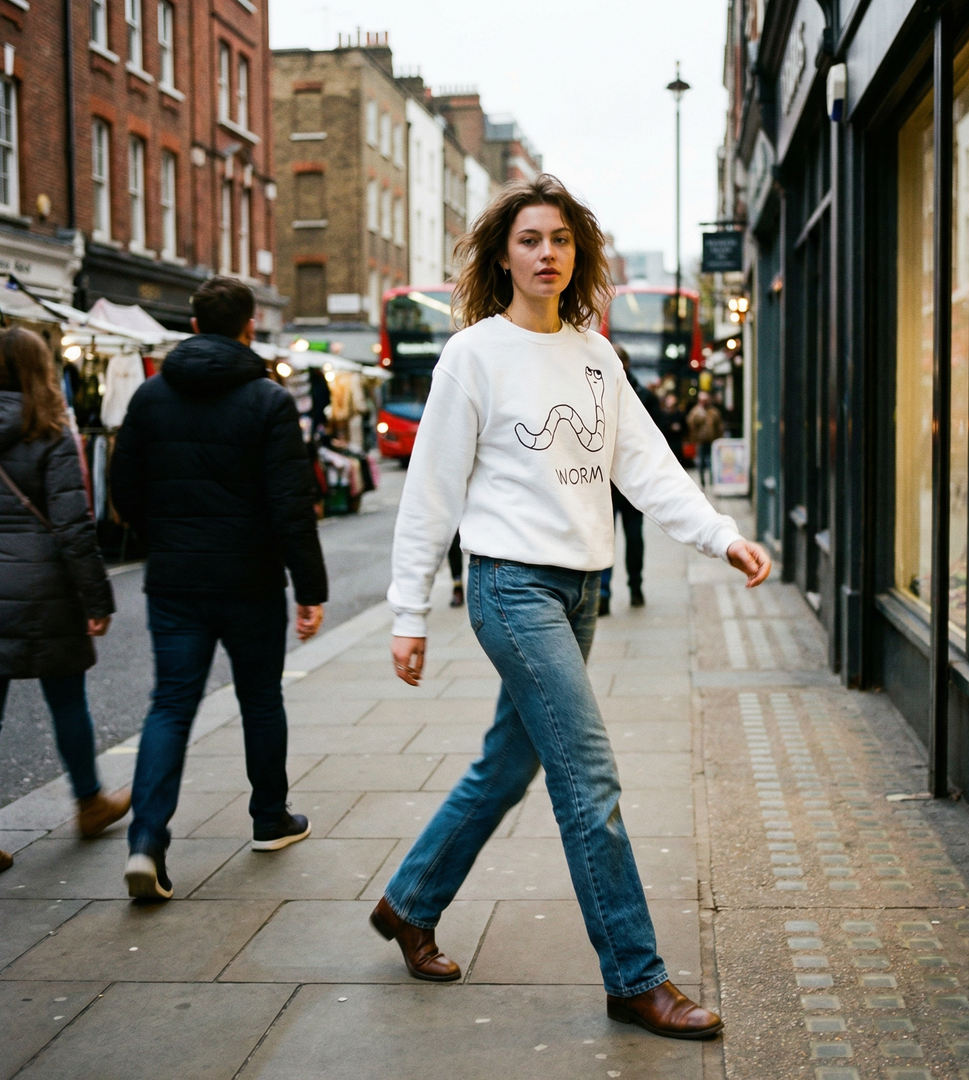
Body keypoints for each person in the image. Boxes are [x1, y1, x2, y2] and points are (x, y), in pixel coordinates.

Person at [374, 175, 771, 1039]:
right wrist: (409, 614)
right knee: (588, 780)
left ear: (577, 253)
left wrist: (719, 534)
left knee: (508, 766)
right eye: (529, 240)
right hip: (510, 587)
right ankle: (635, 977)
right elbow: (431, 493)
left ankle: (410, 902)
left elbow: (648, 465)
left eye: (559, 239)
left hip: (581, 589)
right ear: (503, 255)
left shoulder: (595, 355)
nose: (546, 254)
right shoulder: (474, 355)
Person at [111, 277, 328, 901]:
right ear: (249, 325)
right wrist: (309, 588)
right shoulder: (268, 399)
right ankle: (269, 818)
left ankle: (147, 842)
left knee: (171, 704)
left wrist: (165, 534)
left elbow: (123, 488)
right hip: (250, 580)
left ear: (193, 321)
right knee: (260, 700)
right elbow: (292, 504)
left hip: (176, 580)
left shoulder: (152, 396)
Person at [0, 327, 130, 872]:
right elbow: (74, 526)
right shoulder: (50, 431)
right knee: (66, 700)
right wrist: (97, 598)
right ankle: (89, 802)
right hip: (45, 589)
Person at [599, 345, 648, 614]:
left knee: (632, 539)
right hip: (609, 485)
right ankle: (605, 593)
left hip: (629, 483)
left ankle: (634, 586)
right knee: (608, 539)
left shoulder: (640, 396)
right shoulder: (643, 394)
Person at [686, 391, 723, 489]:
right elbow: (691, 424)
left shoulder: (713, 412)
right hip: (700, 441)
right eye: (702, 400)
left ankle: (711, 481)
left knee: (711, 462)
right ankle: (702, 482)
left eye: (706, 400)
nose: (704, 402)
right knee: (701, 463)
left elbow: (719, 426)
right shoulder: (696, 411)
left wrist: (719, 439)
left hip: (712, 441)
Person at [658, 392, 686, 462]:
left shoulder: (679, 413)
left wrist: (680, 428)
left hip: (676, 441)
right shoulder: (662, 414)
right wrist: (670, 427)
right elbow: (661, 426)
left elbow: (685, 426)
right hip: (667, 440)